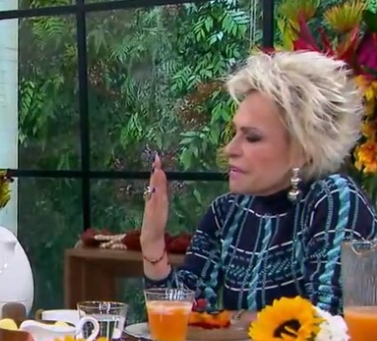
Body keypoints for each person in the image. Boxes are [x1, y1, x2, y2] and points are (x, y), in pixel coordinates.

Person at [141, 50, 377, 315]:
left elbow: (328, 323)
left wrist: (240, 331)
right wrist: (152, 242)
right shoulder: (227, 212)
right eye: (234, 133)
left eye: (252, 137)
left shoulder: (332, 200)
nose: (230, 149)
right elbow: (181, 316)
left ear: (302, 150)